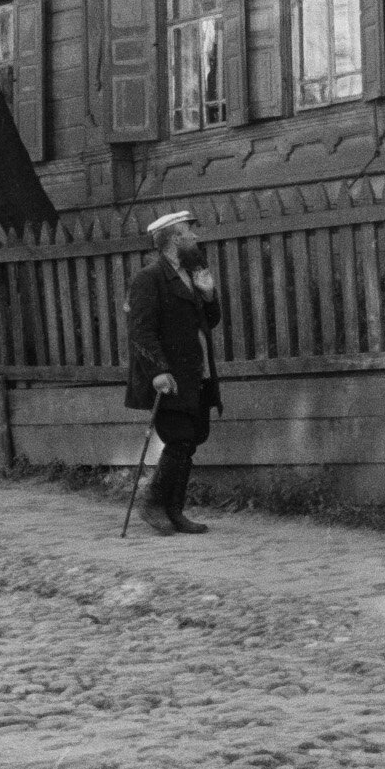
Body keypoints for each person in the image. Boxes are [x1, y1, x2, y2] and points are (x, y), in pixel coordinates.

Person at [124, 210, 224, 536]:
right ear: (173, 242)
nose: (196, 238)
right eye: (189, 234)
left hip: (197, 373)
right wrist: (157, 371)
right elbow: (141, 331)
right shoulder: (149, 279)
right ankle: (152, 502)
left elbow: (209, 322)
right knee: (179, 437)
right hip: (170, 377)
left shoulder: (191, 275)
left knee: (191, 440)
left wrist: (208, 296)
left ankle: (174, 510)